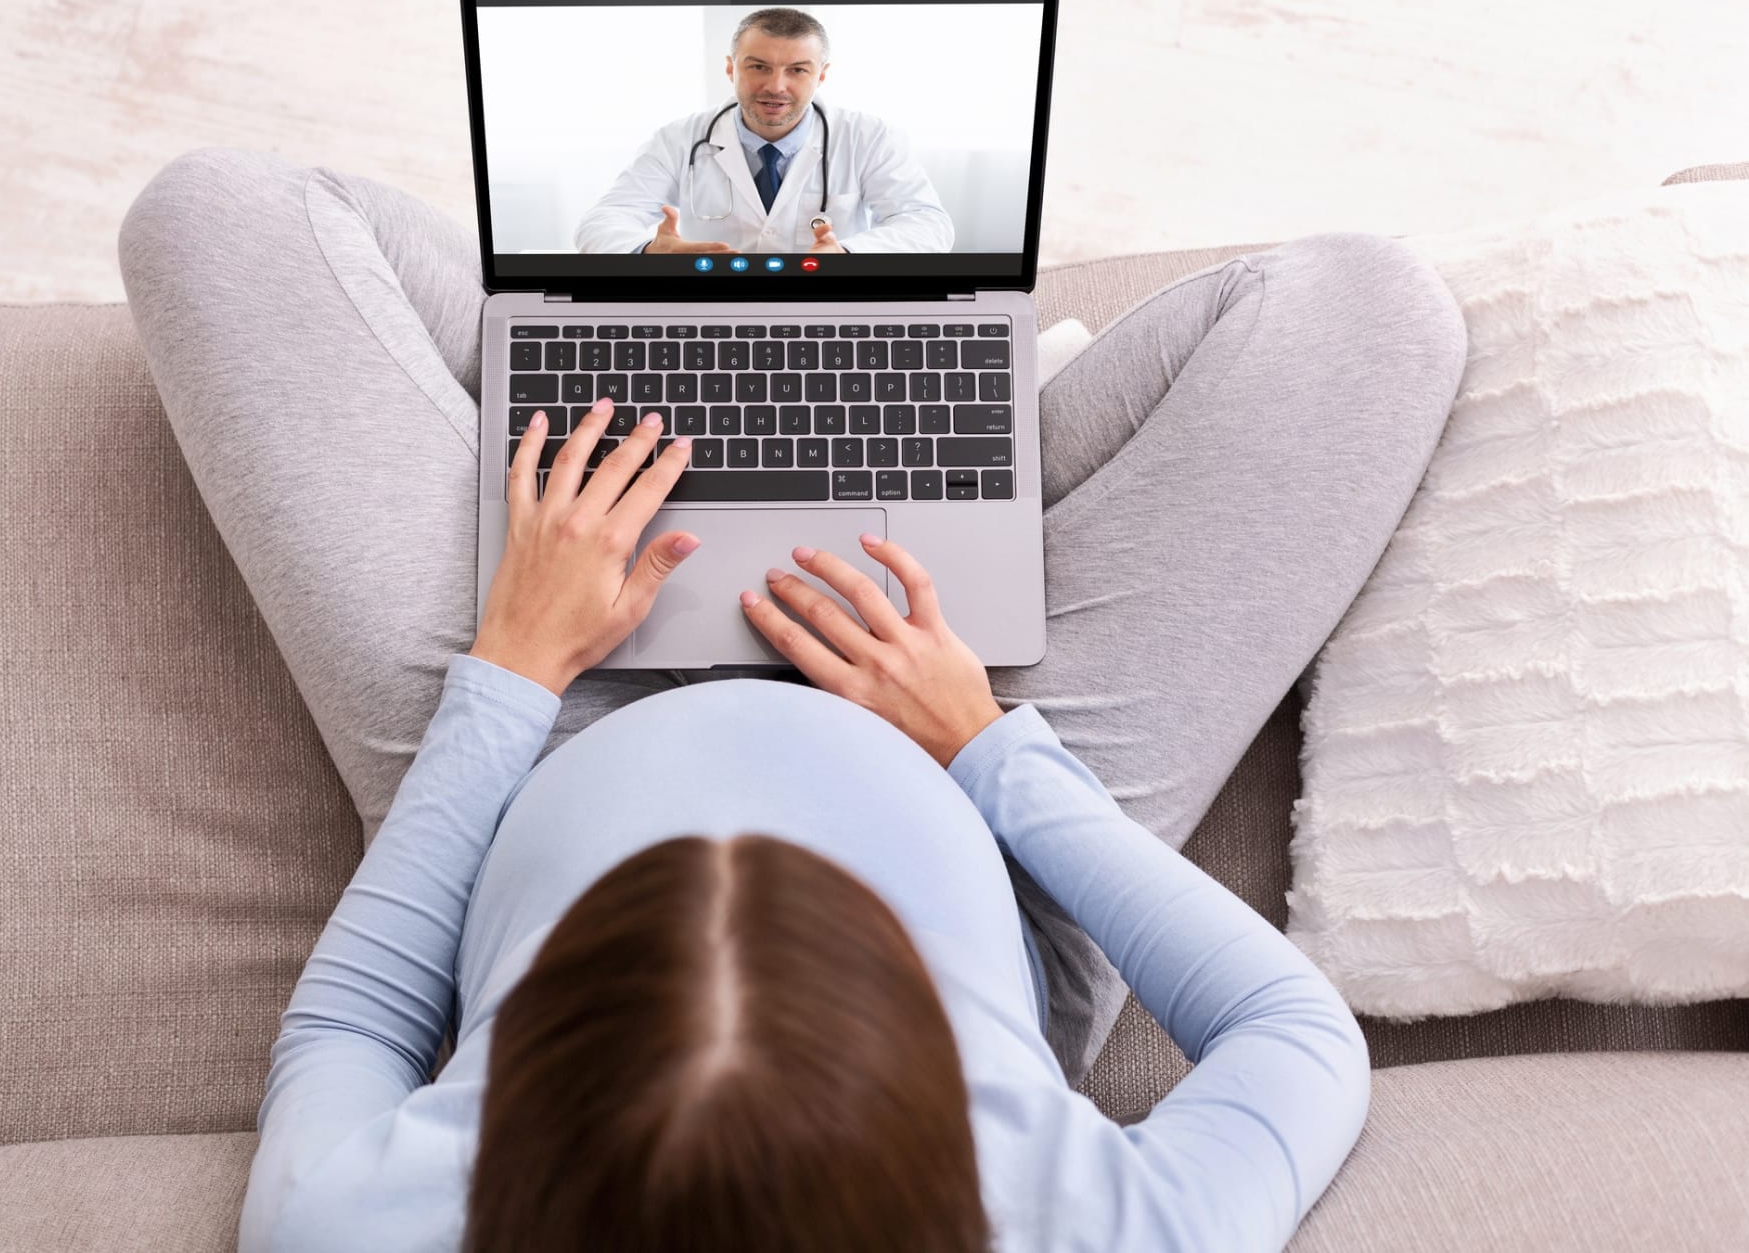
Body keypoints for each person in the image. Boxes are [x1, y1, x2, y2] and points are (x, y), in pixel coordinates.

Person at [117, 144, 1467, 1251]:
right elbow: (1293, 1034)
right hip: (966, 777)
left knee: (223, 220)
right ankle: (917, 426)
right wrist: (987, 747)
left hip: (547, 735)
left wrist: (510, 671)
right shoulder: (1093, 1237)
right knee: (1367, 320)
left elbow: (355, 1022)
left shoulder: (349, 1230)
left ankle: (644, 379)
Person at [572, 7, 955, 256]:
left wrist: (849, 255)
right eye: (758, 67)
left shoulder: (869, 136)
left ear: (821, 75)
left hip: (829, 304)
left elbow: (928, 226)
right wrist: (651, 251)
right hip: (711, 309)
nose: (776, 86)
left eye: (798, 70)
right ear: (730, 68)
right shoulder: (677, 139)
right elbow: (600, 224)